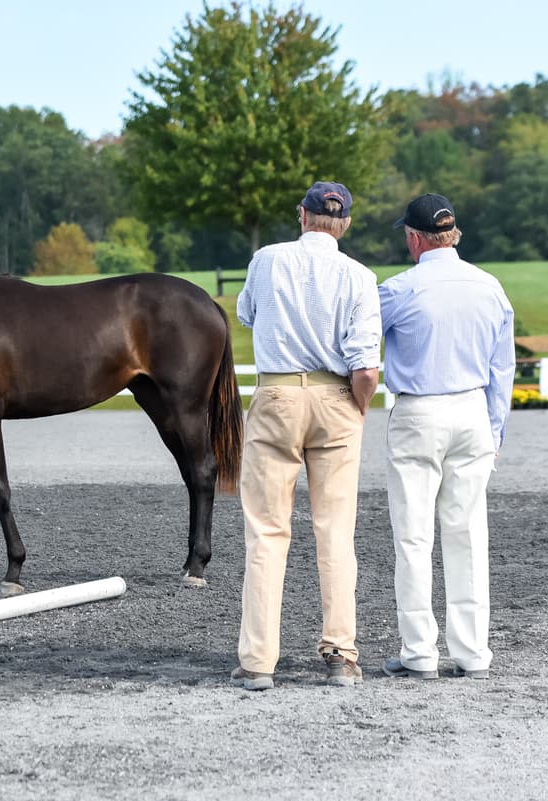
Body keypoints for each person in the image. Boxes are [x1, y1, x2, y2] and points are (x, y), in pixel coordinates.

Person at [232, 181, 382, 690]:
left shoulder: (266, 259)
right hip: (337, 397)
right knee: (335, 532)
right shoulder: (360, 276)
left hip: (276, 395)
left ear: (302, 215)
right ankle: (340, 654)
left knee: (267, 532)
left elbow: (246, 314)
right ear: (345, 224)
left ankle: (258, 661)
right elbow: (366, 366)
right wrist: (355, 410)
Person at [378, 193, 515, 680]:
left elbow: (357, 340)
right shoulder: (490, 286)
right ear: (451, 234)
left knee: (413, 538)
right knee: (468, 534)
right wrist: (494, 431)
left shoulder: (399, 289)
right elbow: (503, 370)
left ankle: (419, 653)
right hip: (474, 410)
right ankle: (473, 653)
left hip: (419, 412)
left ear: (414, 238)